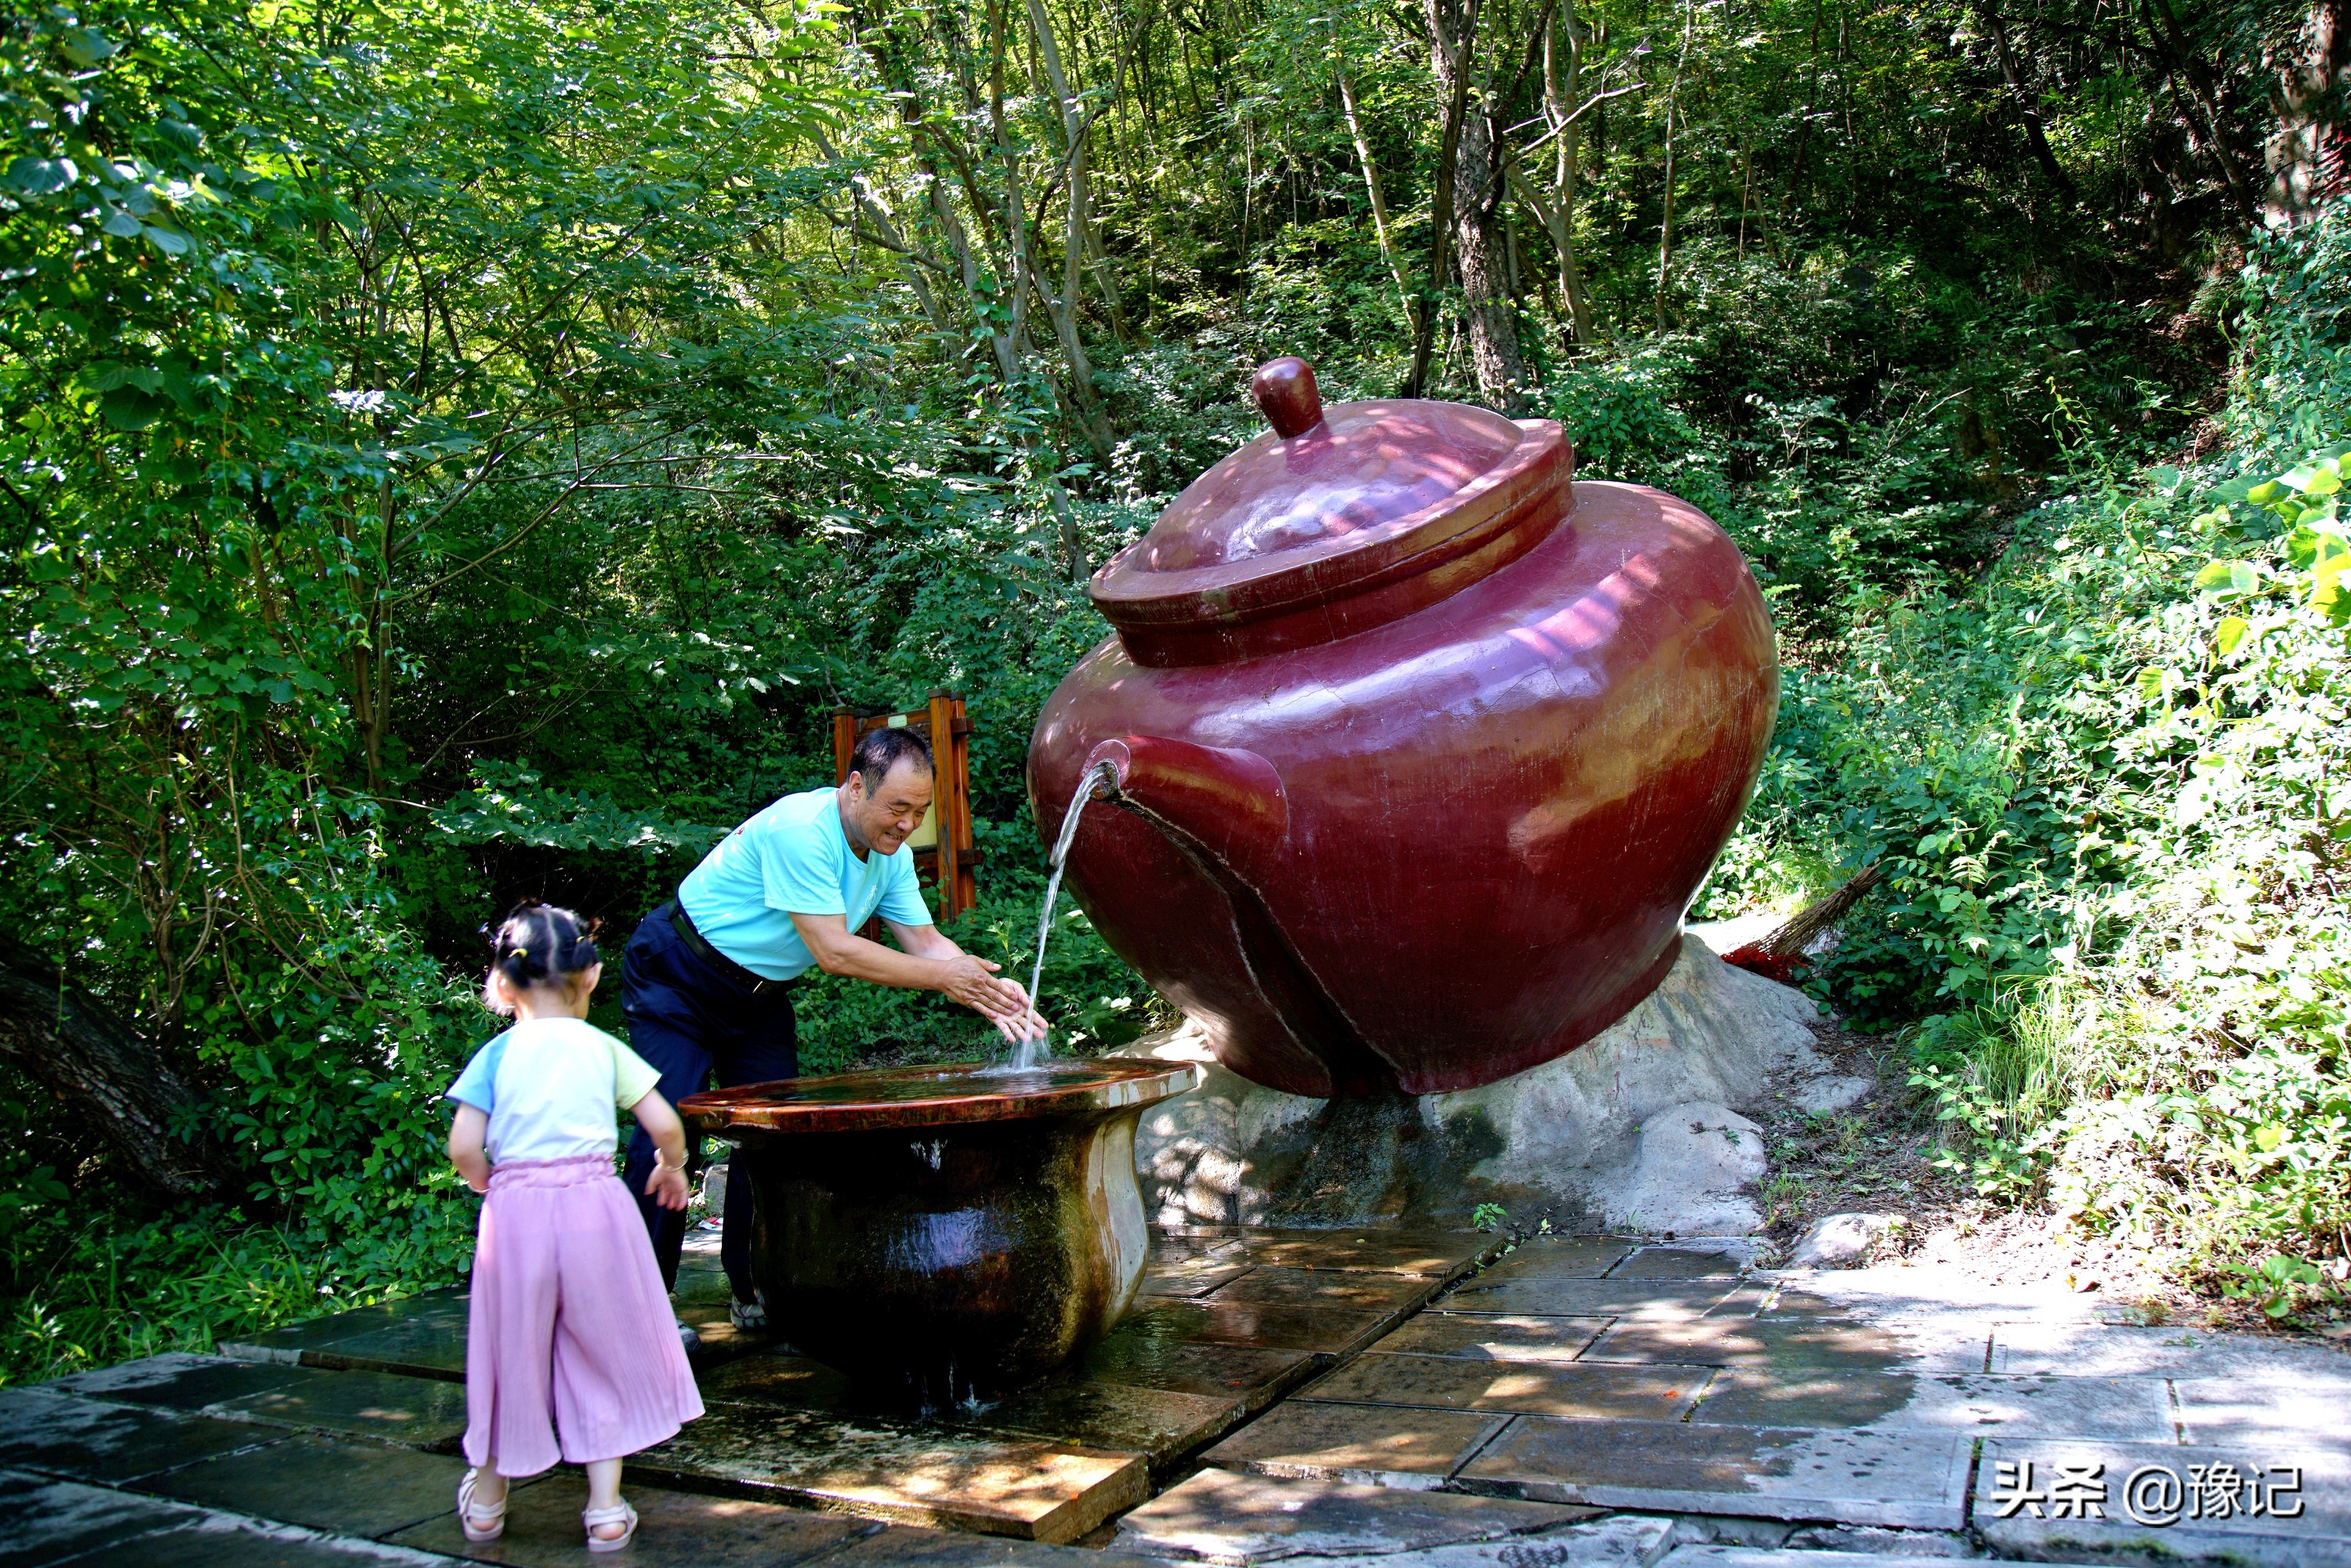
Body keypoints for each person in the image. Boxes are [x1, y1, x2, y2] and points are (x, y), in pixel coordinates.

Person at [618, 725, 1046, 1331]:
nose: (907, 825)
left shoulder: (888, 856)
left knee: (773, 1140)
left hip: (759, 996)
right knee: (665, 1134)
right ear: (854, 786)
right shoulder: (801, 830)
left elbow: (925, 943)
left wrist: (989, 992)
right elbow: (835, 951)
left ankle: (754, 1287)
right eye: (897, 808)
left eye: (919, 812)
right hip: (678, 974)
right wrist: (948, 979)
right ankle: (640, 1312)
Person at [444, 902, 705, 1554]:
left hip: (519, 1215)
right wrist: (672, 1169)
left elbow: (464, 1143)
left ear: (502, 986)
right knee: (603, 1349)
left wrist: (486, 1182)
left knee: (511, 1351)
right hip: (596, 1208)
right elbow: (666, 1123)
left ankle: (488, 1501)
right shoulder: (602, 1048)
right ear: (590, 978)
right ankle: (607, 1508)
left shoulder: (496, 1055)